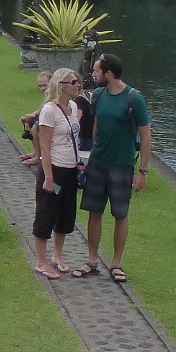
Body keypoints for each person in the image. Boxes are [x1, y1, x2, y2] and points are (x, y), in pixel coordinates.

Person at [75, 53, 152, 284]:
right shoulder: (98, 95)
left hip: (122, 165)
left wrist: (142, 171)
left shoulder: (134, 99)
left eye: (97, 71)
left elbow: (146, 136)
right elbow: (96, 127)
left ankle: (116, 263)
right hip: (98, 162)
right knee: (94, 211)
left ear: (108, 73)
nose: (93, 74)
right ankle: (92, 260)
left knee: (120, 214)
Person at [33, 69, 85, 278]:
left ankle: (58, 255)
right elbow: (45, 146)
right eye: (73, 82)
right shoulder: (49, 110)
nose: (77, 85)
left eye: (77, 81)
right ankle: (41, 261)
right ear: (61, 85)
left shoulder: (73, 107)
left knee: (65, 215)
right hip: (54, 167)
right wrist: (48, 177)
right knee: (46, 213)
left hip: (70, 168)